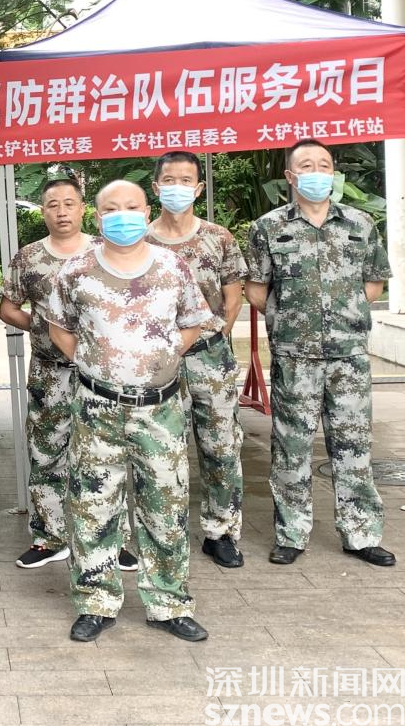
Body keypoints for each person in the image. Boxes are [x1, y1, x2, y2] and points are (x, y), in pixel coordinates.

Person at [48, 180, 212, 644]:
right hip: (97, 408)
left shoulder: (172, 266)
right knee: (93, 507)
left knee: (167, 508)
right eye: (112, 209)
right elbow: (59, 327)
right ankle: (95, 601)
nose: (123, 215)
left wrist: (160, 359)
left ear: (146, 211)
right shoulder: (77, 271)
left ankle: (169, 604)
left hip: (160, 411)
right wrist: (95, 364)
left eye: (132, 207)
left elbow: (192, 323)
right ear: (98, 217)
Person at [245, 138, 394, 568]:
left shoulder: (360, 223)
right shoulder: (268, 227)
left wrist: (342, 315)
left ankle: (361, 534)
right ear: (290, 176)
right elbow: (256, 290)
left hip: (348, 358)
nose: (316, 172)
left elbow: (373, 283)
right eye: (306, 166)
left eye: (324, 165)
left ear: (333, 172)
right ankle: (291, 534)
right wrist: (294, 318)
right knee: (290, 448)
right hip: (295, 358)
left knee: (353, 446)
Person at [1, 175, 133, 571]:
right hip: (49, 373)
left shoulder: (105, 251)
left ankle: (113, 540)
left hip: (100, 373)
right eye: (53, 205)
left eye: (69, 203)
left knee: (106, 455)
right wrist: (44, 329)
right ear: (43, 212)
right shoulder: (28, 258)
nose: (61, 212)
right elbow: (8, 308)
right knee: (46, 454)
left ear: (83, 209)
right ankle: (49, 538)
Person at [146, 151, 248, 568]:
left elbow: (234, 293)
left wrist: (217, 333)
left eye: (186, 180)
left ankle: (220, 532)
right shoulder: (140, 241)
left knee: (221, 447)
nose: (177, 187)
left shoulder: (218, 237)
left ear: (199, 188)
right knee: (161, 451)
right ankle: (163, 534)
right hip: (159, 363)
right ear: (156, 187)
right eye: (169, 180)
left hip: (210, 359)